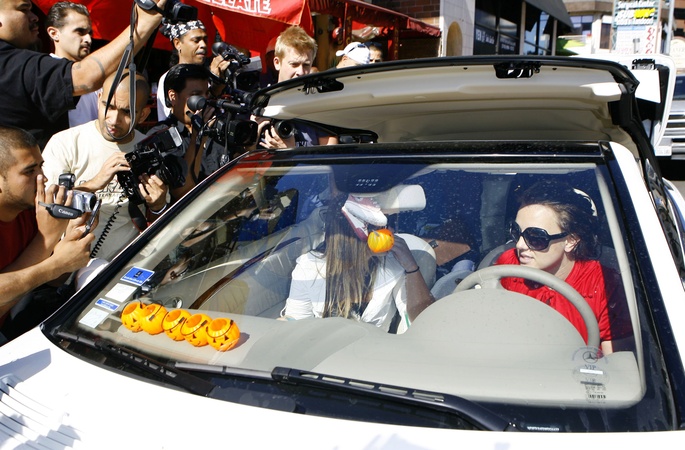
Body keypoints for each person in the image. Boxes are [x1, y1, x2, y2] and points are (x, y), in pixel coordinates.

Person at [0, 0, 166, 148]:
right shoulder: (13, 64)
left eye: (90, 33)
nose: (35, 17)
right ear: (53, 33)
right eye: (24, 9)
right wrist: (143, 24)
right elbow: (86, 76)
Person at [42, 71, 169, 262]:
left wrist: (158, 205)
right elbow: (45, 208)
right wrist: (94, 183)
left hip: (127, 266)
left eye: (126, 112)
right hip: (67, 267)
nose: (114, 119)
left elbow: (162, 221)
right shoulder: (65, 142)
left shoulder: (150, 150)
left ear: (143, 114)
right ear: (98, 98)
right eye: (109, 106)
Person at [495, 180, 632, 355]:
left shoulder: (604, 285)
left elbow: (617, 362)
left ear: (571, 240)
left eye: (535, 237)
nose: (520, 245)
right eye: (516, 232)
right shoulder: (507, 266)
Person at [282, 192, 434, 333]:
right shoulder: (308, 267)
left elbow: (421, 321)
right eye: (380, 228)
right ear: (353, 236)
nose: (391, 232)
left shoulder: (393, 263)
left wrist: (411, 267)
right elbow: (297, 326)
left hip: (373, 349)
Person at [0, 125, 93, 342]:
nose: (42, 178)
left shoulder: (30, 212)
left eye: (41, 167)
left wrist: (72, 236)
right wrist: (49, 244)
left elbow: (54, 280)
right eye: (29, 171)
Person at [147, 63, 228, 202]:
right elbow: (182, 190)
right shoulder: (160, 135)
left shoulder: (217, 128)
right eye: (196, 95)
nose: (204, 101)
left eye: (206, 94)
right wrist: (198, 137)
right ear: (173, 96)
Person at [256, 26, 338, 148]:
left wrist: (290, 151)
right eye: (294, 64)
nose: (301, 72)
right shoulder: (260, 104)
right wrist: (252, 139)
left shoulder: (320, 105)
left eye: (306, 65)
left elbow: (330, 156)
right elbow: (241, 154)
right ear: (277, 63)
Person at [156, 19, 230, 120]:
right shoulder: (168, 79)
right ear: (177, 43)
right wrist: (213, 90)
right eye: (196, 40)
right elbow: (183, 118)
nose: (203, 45)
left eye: (205, 40)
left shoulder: (209, 75)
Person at [45, 1, 98, 127]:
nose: (88, 39)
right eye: (80, 32)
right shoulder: (42, 74)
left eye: (89, 33)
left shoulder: (97, 75)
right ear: (54, 33)